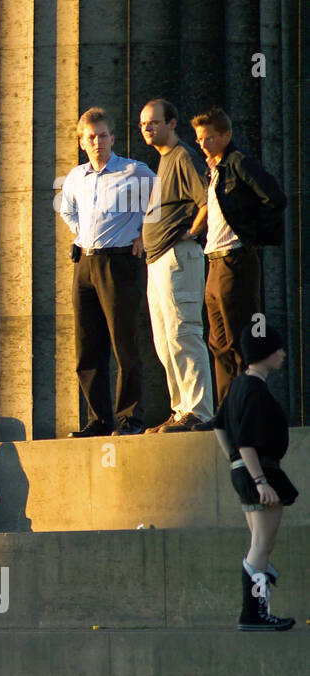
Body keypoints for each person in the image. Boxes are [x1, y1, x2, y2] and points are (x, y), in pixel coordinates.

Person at [58, 107, 156, 437]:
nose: (97, 142)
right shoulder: (75, 177)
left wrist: (144, 234)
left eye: (102, 136)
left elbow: (161, 205)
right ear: (82, 142)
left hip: (120, 263)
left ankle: (130, 419)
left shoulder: (135, 171)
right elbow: (66, 210)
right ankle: (98, 421)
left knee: (124, 345)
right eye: (91, 137)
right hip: (86, 262)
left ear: (112, 138)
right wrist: (80, 232)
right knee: (87, 349)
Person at [192, 107, 287, 407]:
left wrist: (256, 237)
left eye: (209, 138)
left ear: (226, 135)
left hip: (234, 259)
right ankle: (226, 408)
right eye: (199, 139)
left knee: (238, 340)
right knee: (217, 342)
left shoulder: (238, 163)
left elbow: (274, 197)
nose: (203, 144)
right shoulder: (215, 169)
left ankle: (247, 406)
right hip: (214, 260)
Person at [213, 323, 297, 630]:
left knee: (260, 543)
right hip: (260, 472)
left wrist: (234, 461)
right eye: (278, 349)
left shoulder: (238, 385)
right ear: (265, 354)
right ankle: (254, 612)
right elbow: (246, 440)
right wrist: (260, 480)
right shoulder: (254, 390)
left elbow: (219, 425)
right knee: (261, 545)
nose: (284, 355)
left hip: (246, 471)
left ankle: (257, 606)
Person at [138, 99, 214, 433]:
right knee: (164, 341)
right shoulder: (164, 161)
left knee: (184, 333)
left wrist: (192, 231)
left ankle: (199, 411)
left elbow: (209, 198)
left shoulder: (183, 156)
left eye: (154, 122)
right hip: (157, 262)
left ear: (172, 123)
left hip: (178, 257)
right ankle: (181, 409)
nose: (148, 128)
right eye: (144, 124)